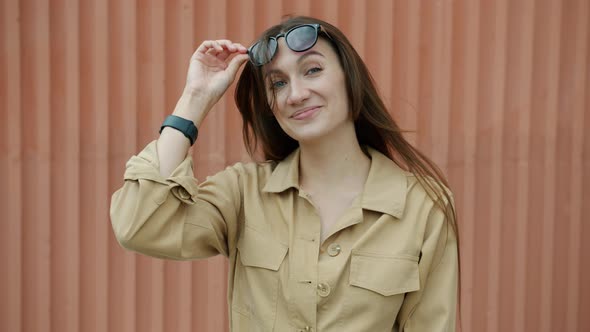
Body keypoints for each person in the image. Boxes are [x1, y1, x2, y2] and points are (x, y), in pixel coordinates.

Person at [110, 15, 459, 332]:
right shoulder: (243, 193)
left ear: (349, 78)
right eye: (277, 84)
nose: (296, 94)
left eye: (312, 70)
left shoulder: (423, 205)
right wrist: (195, 98)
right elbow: (139, 224)